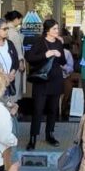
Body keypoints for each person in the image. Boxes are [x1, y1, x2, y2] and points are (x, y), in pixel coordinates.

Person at [25, 19, 66, 149]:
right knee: (38, 109)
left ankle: (50, 134)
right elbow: (30, 58)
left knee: (53, 110)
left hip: (56, 80)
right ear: (47, 30)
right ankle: (33, 137)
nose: (57, 31)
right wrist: (46, 54)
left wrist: (59, 54)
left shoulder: (58, 43)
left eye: (57, 28)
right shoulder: (39, 41)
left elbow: (63, 61)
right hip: (42, 81)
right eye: (54, 29)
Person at [4, 10, 27, 101]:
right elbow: (17, 50)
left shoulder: (8, 30)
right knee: (14, 86)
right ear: (16, 19)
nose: (20, 22)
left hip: (9, 63)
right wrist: (20, 62)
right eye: (20, 19)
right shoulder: (12, 32)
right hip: (15, 63)